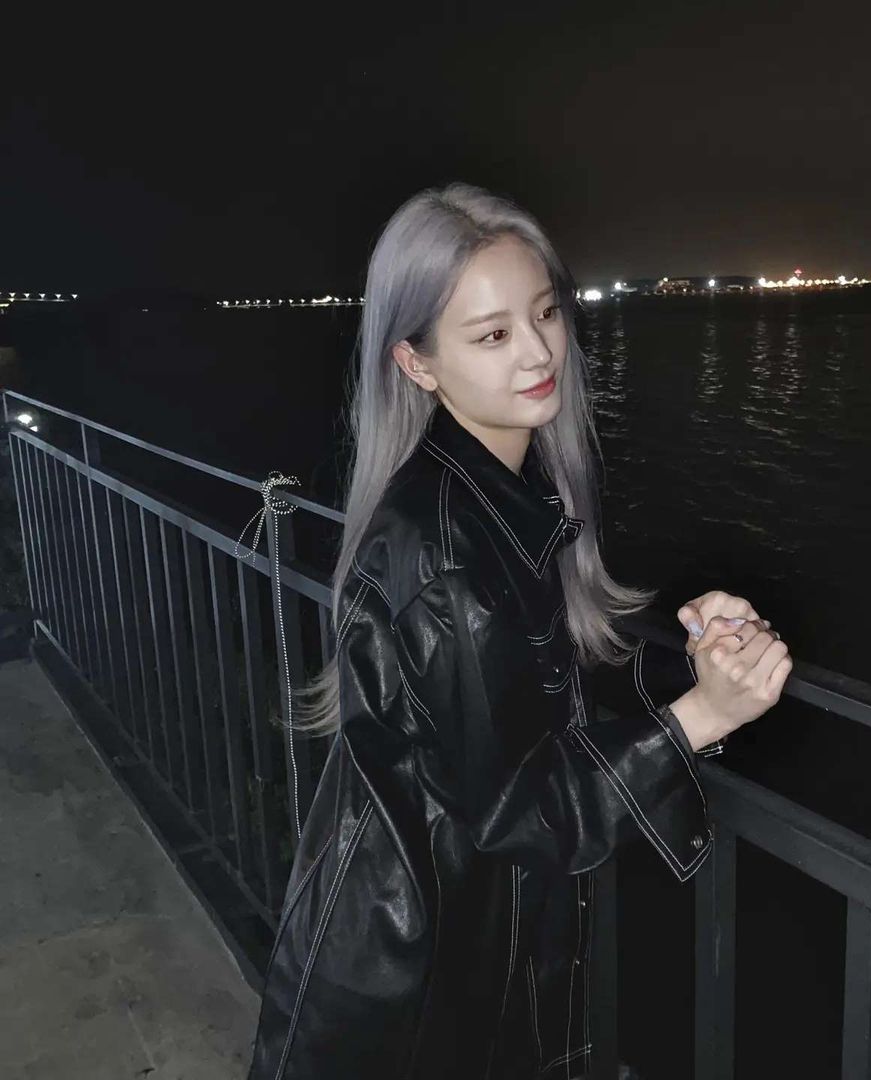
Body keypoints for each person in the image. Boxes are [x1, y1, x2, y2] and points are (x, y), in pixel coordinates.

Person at [246, 181, 792, 1079]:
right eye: (492, 335)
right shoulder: (443, 547)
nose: (540, 351)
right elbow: (520, 808)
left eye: (545, 312)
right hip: (411, 989)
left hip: (452, 951)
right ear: (417, 364)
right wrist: (701, 717)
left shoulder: (498, 489)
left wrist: (694, 650)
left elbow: (530, 684)